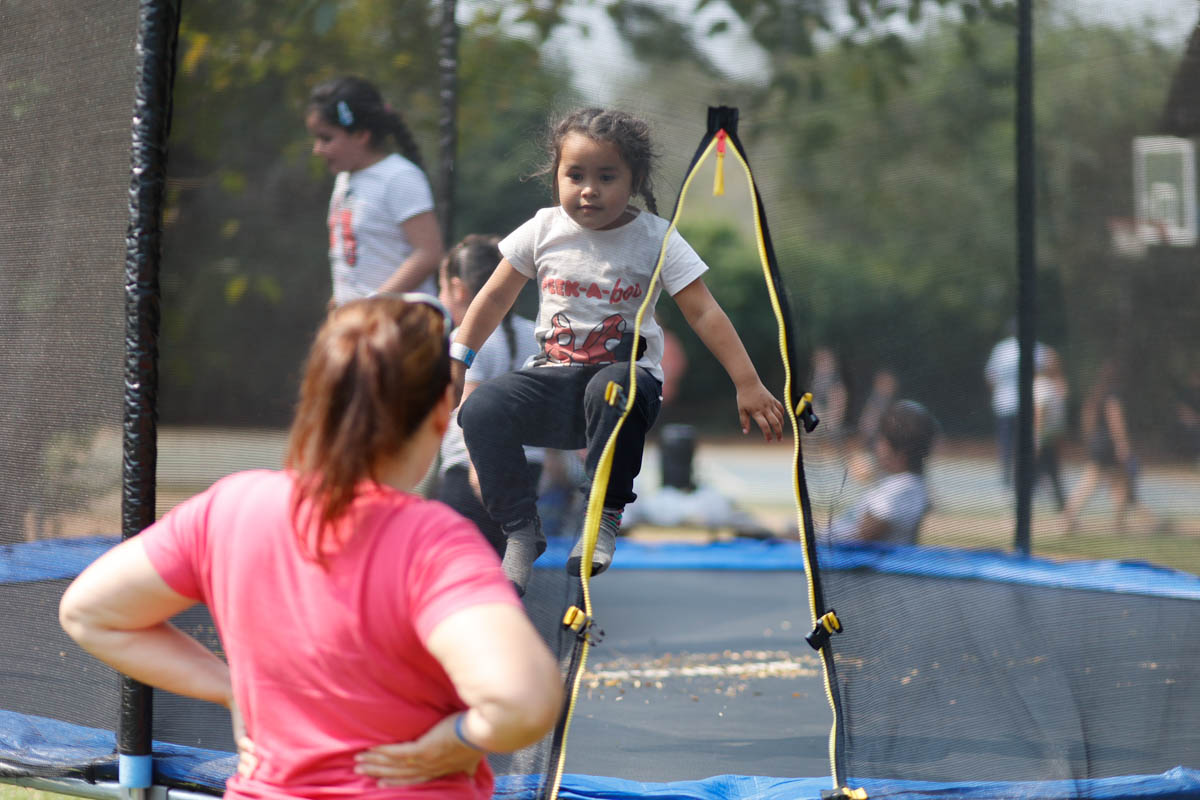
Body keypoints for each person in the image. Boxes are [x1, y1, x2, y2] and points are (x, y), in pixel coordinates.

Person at [58, 295, 562, 799]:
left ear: (316, 399)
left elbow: (89, 613)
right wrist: (455, 740)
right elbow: (523, 702)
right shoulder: (432, 541)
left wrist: (229, 688)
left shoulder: (230, 507)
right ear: (440, 415)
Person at [448, 108, 785, 593]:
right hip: (554, 385)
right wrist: (461, 358)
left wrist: (747, 383)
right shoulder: (542, 229)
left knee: (611, 387)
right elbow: (495, 297)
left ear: (634, 179)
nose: (589, 189)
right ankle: (521, 532)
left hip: (625, 391)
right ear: (557, 177)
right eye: (575, 176)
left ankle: (602, 516)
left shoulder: (655, 238)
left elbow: (704, 312)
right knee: (480, 409)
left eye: (606, 177)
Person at [435, 234, 544, 555]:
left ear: (458, 289)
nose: (441, 298)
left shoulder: (465, 340)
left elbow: (474, 416)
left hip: (473, 478)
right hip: (527, 472)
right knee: (504, 570)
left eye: (441, 289)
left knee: (460, 569)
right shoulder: (535, 334)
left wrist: (480, 477)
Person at [306, 76, 445, 305]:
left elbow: (428, 254)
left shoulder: (399, 177)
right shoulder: (345, 179)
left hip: (404, 325)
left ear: (361, 135)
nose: (317, 149)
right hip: (363, 326)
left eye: (326, 138)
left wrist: (371, 307)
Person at [1062, 358, 1157, 534]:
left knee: (1096, 481)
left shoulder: (1097, 393)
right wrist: (1122, 445)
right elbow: (1116, 420)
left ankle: (1071, 516)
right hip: (1109, 444)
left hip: (1098, 441)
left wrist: (1090, 438)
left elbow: (1087, 417)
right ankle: (1118, 524)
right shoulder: (1114, 395)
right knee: (1118, 482)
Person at [827, 399, 938, 545]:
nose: (877, 449)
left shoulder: (903, 490)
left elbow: (861, 539)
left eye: (881, 442)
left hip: (843, 559)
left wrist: (808, 539)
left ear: (898, 453)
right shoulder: (901, 484)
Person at [983, 319, 1046, 487]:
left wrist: (998, 393)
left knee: (1006, 442)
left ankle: (1006, 478)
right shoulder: (1037, 348)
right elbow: (1041, 375)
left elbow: (991, 376)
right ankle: (1028, 477)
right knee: (1027, 443)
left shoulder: (1001, 349)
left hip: (1004, 403)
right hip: (1029, 404)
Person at [1033, 346, 1068, 511]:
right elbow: (1040, 412)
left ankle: (1061, 502)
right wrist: (1037, 437)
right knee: (1041, 468)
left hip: (1053, 434)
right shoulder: (1042, 384)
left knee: (1051, 469)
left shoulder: (1055, 384)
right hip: (1044, 434)